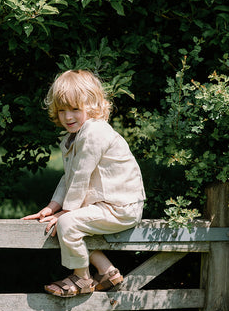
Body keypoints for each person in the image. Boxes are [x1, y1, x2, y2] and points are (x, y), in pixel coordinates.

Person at [23, 69, 146, 297]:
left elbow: (81, 176)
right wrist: (52, 206)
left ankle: (82, 278)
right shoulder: (74, 137)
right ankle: (107, 271)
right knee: (73, 226)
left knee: (68, 224)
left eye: (75, 109)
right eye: (62, 111)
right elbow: (68, 177)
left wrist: (65, 213)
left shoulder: (95, 132)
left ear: (92, 106)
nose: (68, 117)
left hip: (120, 207)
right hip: (104, 205)